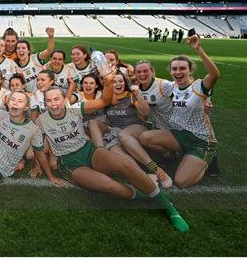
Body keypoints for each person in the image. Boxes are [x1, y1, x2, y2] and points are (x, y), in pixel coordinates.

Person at [35, 85, 190, 233]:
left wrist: (108, 79)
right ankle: (145, 195)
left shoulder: (75, 110)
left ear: (64, 99)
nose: (53, 104)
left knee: (126, 165)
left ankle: (169, 208)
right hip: (70, 163)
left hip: (88, 150)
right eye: (49, 101)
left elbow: (103, 101)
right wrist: (50, 176)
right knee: (110, 186)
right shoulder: (41, 121)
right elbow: (39, 150)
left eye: (56, 99)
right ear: (45, 102)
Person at [139, 34, 220, 189]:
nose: (178, 72)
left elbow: (215, 75)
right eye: (174, 69)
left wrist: (198, 49)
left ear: (190, 70)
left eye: (182, 68)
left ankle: (208, 160)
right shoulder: (172, 86)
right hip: (178, 134)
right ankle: (173, 155)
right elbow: (151, 82)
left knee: (182, 182)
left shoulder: (198, 87)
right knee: (145, 137)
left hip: (200, 140)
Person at [14, 27, 55, 93]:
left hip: (44, 93)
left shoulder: (35, 58)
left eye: (23, 48)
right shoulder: (15, 66)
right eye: (18, 48)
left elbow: (49, 51)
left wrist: (51, 37)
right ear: (16, 52)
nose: (21, 50)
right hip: (31, 97)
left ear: (28, 51)